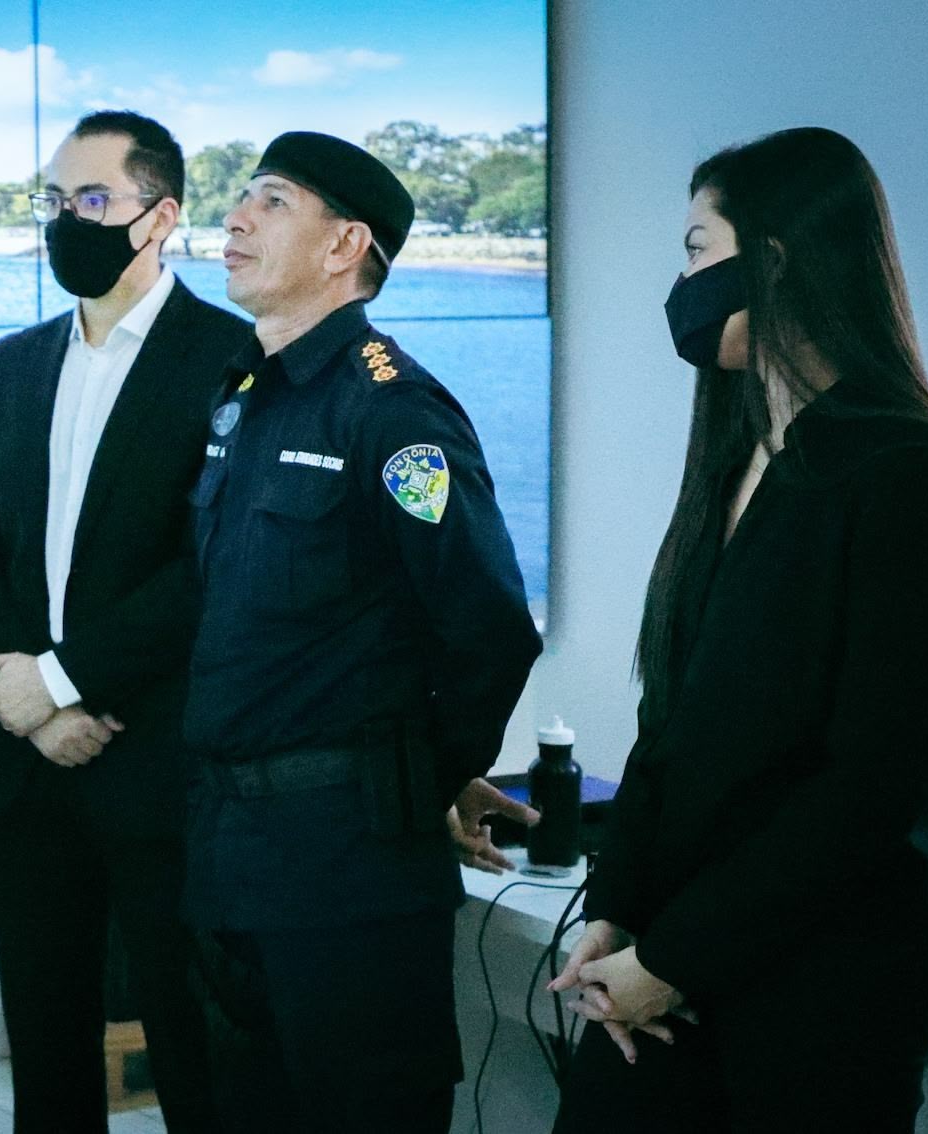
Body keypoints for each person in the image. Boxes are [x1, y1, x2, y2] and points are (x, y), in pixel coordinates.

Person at [549, 126, 928, 1134]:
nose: (683, 282)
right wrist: (618, 906)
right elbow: (674, 728)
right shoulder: (739, 458)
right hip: (674, 956)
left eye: (698, 249)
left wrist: (672, 959)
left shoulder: (910, 479)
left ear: (773, 259)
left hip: (821, 980)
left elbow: (872, 784)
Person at [179, 131, 543, 1131]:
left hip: (346, 870)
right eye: (243, 199)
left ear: (345, 246)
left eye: (272, 202)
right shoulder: (242, 399)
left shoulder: (392, 413)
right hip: (231, 855)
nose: (237, 218)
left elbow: (487, 627)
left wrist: (411, 778)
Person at [0, 109, 252, 1133]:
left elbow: (211, 568)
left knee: (195, 1050)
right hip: (23, 765)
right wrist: (29, 703)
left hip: (160, 764)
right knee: (46, 1053)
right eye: (52, 199)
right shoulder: (13, 363)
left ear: (159, 217)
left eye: (91, 200)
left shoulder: (234, 359)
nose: (63, 220)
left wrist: (66, 681)